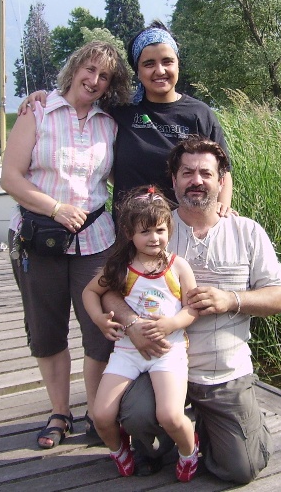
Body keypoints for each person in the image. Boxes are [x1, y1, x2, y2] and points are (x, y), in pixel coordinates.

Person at [102, 137, 281, 483]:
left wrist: (231, 300)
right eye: (187, 172)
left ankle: (225, 424)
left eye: (206, 173)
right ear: (173, 180)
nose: (196, 180)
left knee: (241, 469)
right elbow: (108, 291)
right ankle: (170, 438)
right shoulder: (153, 228)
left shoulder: (247, 231)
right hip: (158, 365)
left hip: (223, 372)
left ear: (221, 181)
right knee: (137, 417)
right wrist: (130, 323)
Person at [1, 41, 131, 450]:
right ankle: (60, 412)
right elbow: (10, 177)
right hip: (39, 237)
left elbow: (118, 177)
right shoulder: (38, 112)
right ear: (75, 68)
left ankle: (97, 413)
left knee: (100, 330)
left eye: (104, 76)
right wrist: (55, 208)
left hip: (96, 240)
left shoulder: (109, 123)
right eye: (89, 69)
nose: (94, 80)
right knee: (46, 330)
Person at [19, 20, 234, 216]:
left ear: (178, 64)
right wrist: (46, 96)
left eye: (167, 61)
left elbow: (223, 171)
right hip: (129, 233)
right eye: (149, 64)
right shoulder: (119, 109)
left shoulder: (199, 114)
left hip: (183, 229)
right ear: (137, 71)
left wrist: (222, 209)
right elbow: (80, 98)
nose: (160, 70)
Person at [83, 185, 200, 481]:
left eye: (160, 230)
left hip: (168, 352)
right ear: (129, 233)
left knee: (170, 415)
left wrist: (171, 324)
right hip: (127, 352)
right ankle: (118, 449)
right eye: (145, 232)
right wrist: (99, 319)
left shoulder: (178, 267)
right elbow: (90, 292)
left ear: (169, 229)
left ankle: (189, 450)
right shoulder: (121, 268)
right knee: (101, 415)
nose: (154, 238)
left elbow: (192, 309)